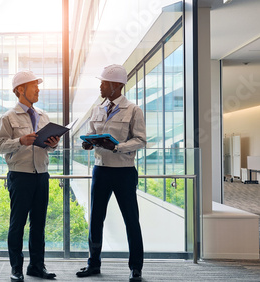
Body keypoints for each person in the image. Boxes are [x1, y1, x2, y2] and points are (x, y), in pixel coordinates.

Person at [76, 64, 146, 281]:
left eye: (104, 83)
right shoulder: (97, 109)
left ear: (116, 86)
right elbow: (90, 134)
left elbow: (141, 140)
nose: (101, 86)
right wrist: (88, 143)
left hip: (124, 172)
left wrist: (117, 147)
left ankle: (136, 267)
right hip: (101, 170)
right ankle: (93, 264)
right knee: (96, 219)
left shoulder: (133, 110)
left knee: (131, 220)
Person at [0, 70, 60, 282]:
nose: (38, 89)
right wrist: (20, 141)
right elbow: (0, 146)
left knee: (39, 224)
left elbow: (47, 147)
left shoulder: (43, 116)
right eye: (34, 86)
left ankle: (36, 266)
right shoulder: (8, 117)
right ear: (20, 90)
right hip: (20, 176)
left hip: (42, 175)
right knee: (17, 224)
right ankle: (16, 268)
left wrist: (53, 144)